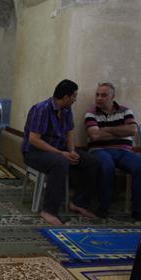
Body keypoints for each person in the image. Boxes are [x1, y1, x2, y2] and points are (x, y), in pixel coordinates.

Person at [21, 79, 99, 226]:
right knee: (60, 161)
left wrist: (72, 151)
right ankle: (49, 210)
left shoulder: (67, 110)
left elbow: (69, 134)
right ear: (66, 97)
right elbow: (34, 140)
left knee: (91, 161)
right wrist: (61, 153)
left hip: (59, 151)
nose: (75, 99)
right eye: (74, 96)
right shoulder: (41, 109)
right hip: (34, 153)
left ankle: (78, 203)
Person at [84, 82, 141, 221]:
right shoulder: (91, 113)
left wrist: (106, 129)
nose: (99, 98)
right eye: (97, 95)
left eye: (103, 95)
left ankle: (138, 210)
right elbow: (95, 135)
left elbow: (132, 130)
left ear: (112, 97)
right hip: (99, 150)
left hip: (123, 151)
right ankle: (104, 207)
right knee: (106, 165)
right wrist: (120, 131)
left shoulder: (125, 111)